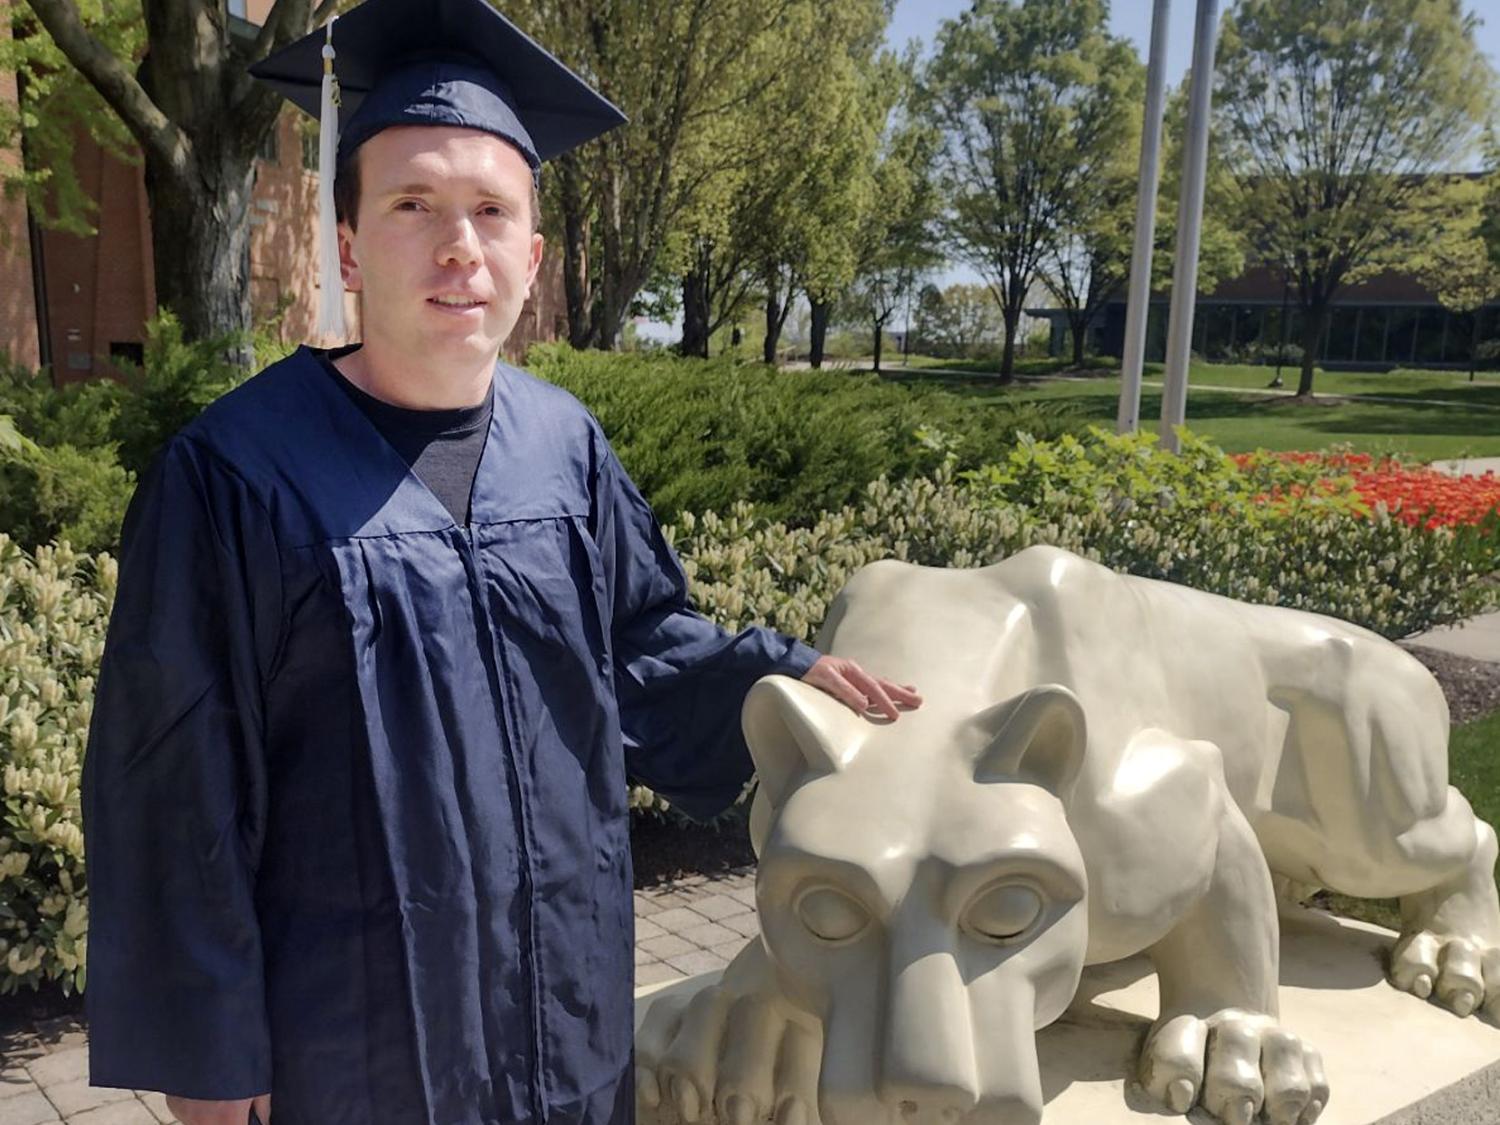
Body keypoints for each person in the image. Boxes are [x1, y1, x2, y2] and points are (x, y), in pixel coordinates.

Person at [79, 0, 920, 1122]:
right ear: (347, 243)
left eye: (489, 211)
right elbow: (179, 797)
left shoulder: (564, 447)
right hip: (350, 1044)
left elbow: (638, 647)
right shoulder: (231, 476)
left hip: (563, 1012)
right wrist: (215, 1079)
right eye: (412, 205)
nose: (456, 245)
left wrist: (780, 674)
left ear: (530, 256)